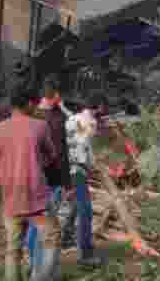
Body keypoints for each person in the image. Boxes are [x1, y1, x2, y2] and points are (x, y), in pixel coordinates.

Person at [0, 87, 62, 281]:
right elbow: (51, 155)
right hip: (36, 197)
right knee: (51, 238)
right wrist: (36, 163)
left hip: (11, 196)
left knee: (13, 250)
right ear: (30, 104)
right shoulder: (39, 126)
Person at [25, 75, 72, 274]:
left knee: (35, 222)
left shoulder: (30, 115)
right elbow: (61, 154)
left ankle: (32, 259)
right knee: (47, 228)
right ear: (57, 95)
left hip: (30, 178)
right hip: (50, 179)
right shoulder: (56, 119)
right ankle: (39, 270)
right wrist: (67, 184)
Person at [59, 100, 106, 267]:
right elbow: (84, 145)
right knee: (85, 210)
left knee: (75, 205)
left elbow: (75, 142)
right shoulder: (90, 121)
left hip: (68, 168)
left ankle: (64, 238)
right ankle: (85, 254)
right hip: (77, 169)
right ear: (99, 107)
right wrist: (90, 165)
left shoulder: (72, 119)